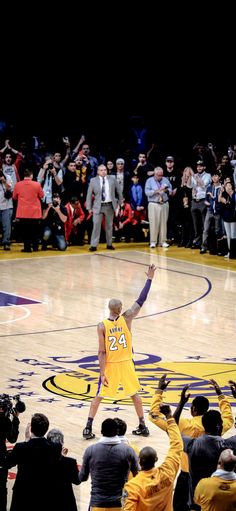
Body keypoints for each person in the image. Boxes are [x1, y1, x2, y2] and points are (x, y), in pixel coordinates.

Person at [83, 263, 156, 439]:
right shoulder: (127, 317)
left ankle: (88, 427)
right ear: (120, 309)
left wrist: (101, 373)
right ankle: (142, 425)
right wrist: (149, 279)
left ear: (109, 308)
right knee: (134, 394)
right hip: (126, 363)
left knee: (99, 396)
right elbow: (141, 300)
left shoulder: (102, 325)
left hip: (111, 365)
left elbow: (102, 352)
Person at [122, 404, 183, 511]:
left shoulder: (133, 486)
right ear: (156, 459)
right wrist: (169, 417)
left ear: (139, 461)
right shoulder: (168, 471)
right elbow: (177, 445)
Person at [79, 418, 139, 510]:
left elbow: (82, 478)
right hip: (119, 504)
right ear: (116, 431)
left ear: (101, 431)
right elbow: (137, 476)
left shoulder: (90, 450)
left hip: (97, 504)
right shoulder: (128, 450)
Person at [5, 413, 61, 511]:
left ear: (31, 429)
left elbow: (8, 463)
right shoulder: (55, 448)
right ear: (46, 429)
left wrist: (26, 441)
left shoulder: (21, 447)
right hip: (45, 493)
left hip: (23, 494)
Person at [86, 164, 123, 251]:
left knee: (109, 226)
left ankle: (109, 244)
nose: (103, 171)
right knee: (96, 225)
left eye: (105, 170)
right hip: (98, 206)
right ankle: (94, 245)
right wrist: (89, 207)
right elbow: (89, 195)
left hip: (109, 205)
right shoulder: (93, 180)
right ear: (98, 172)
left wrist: (120, 202)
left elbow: (119, 190)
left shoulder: (112, 178)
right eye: (101, 170)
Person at [46, 428, 80, 511]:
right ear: (62, 444)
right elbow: (77, 481)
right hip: (66, 503)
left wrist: (61, 457)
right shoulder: (70, 462)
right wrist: (63, 458)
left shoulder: (40, 460)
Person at [0, 395, 20, 511]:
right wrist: (15, 419)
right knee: (2, 488)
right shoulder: (5, 421)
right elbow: (12, 438)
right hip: (1, 458)